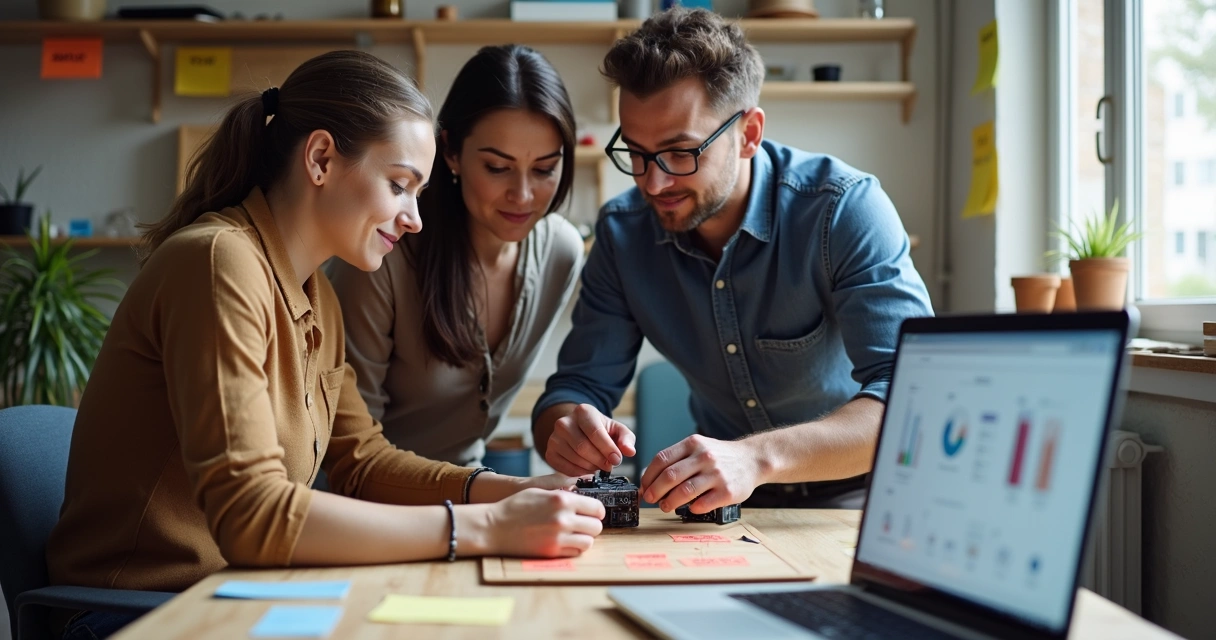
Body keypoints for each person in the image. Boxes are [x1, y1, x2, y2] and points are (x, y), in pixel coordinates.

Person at [46, 50, 603, 640]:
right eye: (399, 185)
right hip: (138, 612)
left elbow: (363, 462)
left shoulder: (316, 294)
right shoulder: (218, 262)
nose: (415, 218)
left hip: (234, 594)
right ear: (320, 160)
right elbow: (252, 514)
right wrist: (486, 526)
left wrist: (515, 490)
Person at [532, 9, 934, 513]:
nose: (652, 183)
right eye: (636, 152)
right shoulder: (622, 233)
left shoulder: (843, 210)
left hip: (864, 496)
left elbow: (913, 395)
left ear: (748, 133)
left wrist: (759, 458)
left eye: (680, 153)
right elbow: (576, 387)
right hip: (723, 507)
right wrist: (568, 426)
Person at [329, 45, 583, 467]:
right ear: (450, 153)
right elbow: (350, 454)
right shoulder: (383, 254)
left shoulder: (561, 252)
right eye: (497, 168)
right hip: (361, 507)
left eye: (544, 169)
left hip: (465, 495)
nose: (522, 195)